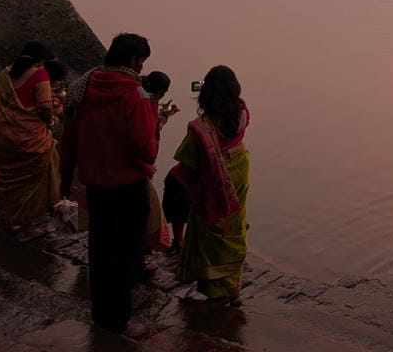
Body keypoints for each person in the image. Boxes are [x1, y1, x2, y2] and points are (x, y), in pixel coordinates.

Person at [59, 33, 158, 336]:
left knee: (100, 251)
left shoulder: (82, 88)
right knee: (125, 255)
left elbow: (69, 139)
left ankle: (101, 316)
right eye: (141, 62)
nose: (141, 68)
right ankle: (119, 322)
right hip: (127, 186)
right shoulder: (134, 94)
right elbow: (146, 148)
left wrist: (64, 178)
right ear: (131, 60)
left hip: (96, 186)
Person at [175, 65, 250, 306]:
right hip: (240, 169)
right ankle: (233, 287)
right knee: (234, 221)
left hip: (212, 179)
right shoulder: (242, 112)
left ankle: (216, 291)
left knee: (211, 225)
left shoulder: (202, 126)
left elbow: (188, 160)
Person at [0, 41, 60, 235]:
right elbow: (46, 106)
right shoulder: (40, 74)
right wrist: (50, 121)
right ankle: (24, 223)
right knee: (35, 178)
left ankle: (9, 220)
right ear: (41, 60)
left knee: (9, 182)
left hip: (3, 136)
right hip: (29, 138)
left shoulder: (5, 74)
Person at [140, 71, 178, 255]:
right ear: (161, 91)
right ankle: (145, 245)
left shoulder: (144, 101)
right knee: (146, 206)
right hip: (142, 162)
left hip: (143, 160)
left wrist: (163, 117)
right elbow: (151, 132)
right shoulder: (147, 104)